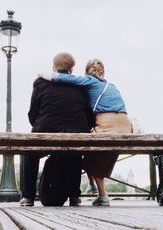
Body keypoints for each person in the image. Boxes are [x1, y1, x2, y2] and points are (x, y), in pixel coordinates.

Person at [41, 59, 133, 206]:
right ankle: (92, 187)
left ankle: (101, 194)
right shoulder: (112, 86)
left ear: (87, 72)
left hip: (107, 124)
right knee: (95, 152)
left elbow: (65, 78)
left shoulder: (90, 81)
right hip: (125, 125)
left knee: (91, 153)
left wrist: (44, 75)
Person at [19, 52, 92, 207]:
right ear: (72, 69)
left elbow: (33, 113)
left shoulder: (40, 83)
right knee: (75, 154)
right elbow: (88, 115)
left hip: (46, 132)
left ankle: (28, 197)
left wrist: (39, 125)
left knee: (29, 154)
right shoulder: (81, 86)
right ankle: (74, 196)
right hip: (76, 134)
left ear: (53, 67)